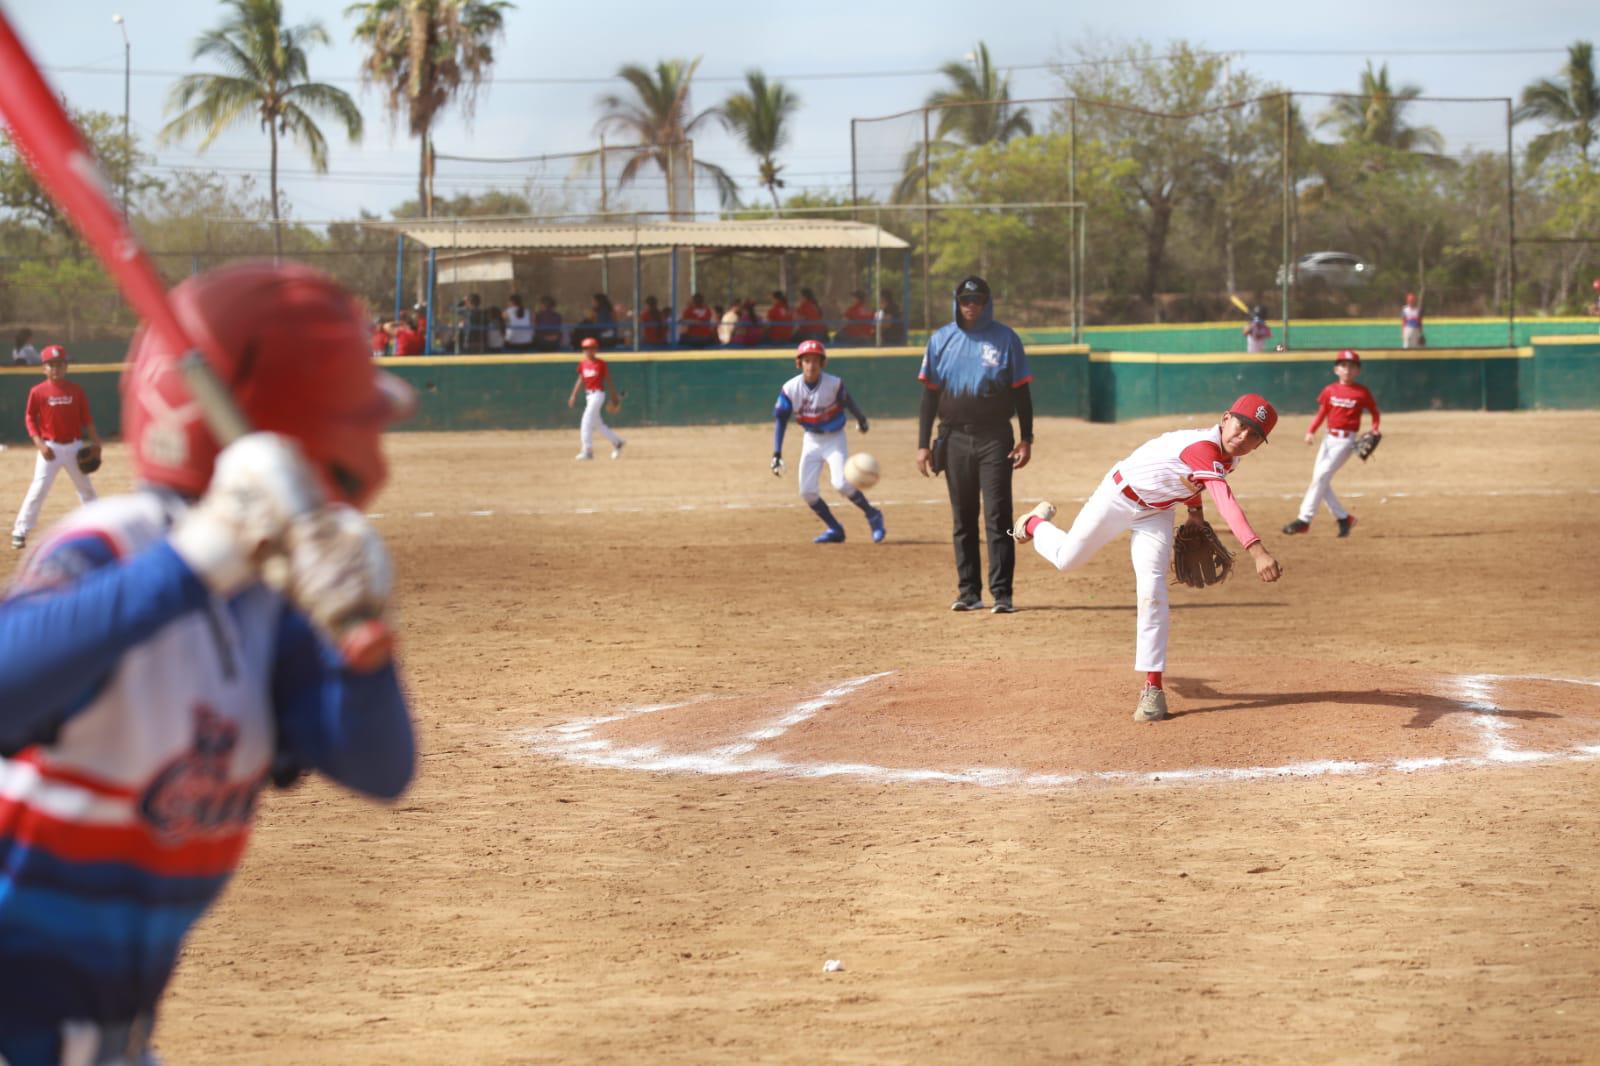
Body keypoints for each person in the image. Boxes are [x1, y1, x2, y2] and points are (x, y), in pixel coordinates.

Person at [0, 260, 416, 1064]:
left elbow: (380, 766)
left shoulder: (265, 605)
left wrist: (363, 637)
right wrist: (194, 562)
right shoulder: (118, 542)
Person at [1011, 394, 1285, 722]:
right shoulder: (1202, 445)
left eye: (1255, 435)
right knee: (1067, 559)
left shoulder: (1229, 459)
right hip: (1117, 498)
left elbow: (1192, 482)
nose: (1243, 437)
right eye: (1241, 425)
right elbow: (1224, 499)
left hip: (1156, 512)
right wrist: (1257, 551)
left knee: (1152, 591)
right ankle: (1034, 524)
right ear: (1226, 418)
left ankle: (1152, 688)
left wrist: (1195, 516)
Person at [914, 275, 1034, 614]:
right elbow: (929, 395)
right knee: (963, 517)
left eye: (978, 300)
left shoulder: (1006, 339)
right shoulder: (941, 340)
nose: (971, 306)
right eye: (966, 300)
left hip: (995, 436)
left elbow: (1021, 392)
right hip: (953, 438)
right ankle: (969, 592)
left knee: (998, 515)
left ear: (987, 303)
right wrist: (923, 445)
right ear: (957, 302)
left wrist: (1026, 437)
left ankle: (1003, 594)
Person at [771, 339, 884, 544]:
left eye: (816, 360)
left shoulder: (833, 384)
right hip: (811, 440)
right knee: (807, 492)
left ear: (822, 363)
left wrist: (861, 420)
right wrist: (776, 453)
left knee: (840, 483)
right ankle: (835, 529)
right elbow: (780, 420)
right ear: (799, 363)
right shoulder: (790, 389)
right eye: (806, 360)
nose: (811, 365)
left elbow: (848, 402)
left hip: (834, 439)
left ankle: (873, 514)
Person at [11, 345, 103, 551]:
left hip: (74, 446)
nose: (55, 368)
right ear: (43, 368)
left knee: (86, 489)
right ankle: (20, 530)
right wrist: (39, 443)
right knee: (38, 490)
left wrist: (96, 442)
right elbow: (29, 418)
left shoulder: (76, 390)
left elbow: (87, 419)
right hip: (49, 448)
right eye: (51, 365)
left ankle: (100, 527)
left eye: (59, 364)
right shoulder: (37, 391)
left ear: (66, 367)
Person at [1282, 348, 1381, 539]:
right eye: (1343, 365)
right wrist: (1311, 431)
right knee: (1321, 480)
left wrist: (1375, 429)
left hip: (1346, 441)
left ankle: (1304, 519)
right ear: (1336, 369)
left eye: (1352, 366)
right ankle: (1344, 518)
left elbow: (1375, 412)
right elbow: (1322, 413)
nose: (1348, 370)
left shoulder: (1361, 392)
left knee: (1320, 477)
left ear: (1358, 371)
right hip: (1329, 438)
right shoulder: (1330, 390)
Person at [567, 336, 626, 461]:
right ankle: (617, 442)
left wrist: (614, 396)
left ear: (596, 349)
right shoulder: (583, 364)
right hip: (589, 395)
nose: (588, 350)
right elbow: (581, 379)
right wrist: (573, 395)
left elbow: (608, 380)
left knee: (586, 421)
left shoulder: (601, 363)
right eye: (585, 348)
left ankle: (587, 451)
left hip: (598, 395)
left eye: (591, 348)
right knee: (598, 425)